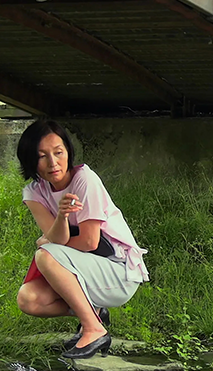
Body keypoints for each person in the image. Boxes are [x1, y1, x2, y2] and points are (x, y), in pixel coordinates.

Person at [14, 120, 149, 359]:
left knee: (45, 255)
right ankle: (94, 312)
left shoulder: (85, 180)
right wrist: (62, 217)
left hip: (118, 271)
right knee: (28, 299)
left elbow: (89, 242)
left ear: (68, 151)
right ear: (30, 160)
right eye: (42, 156)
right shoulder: (34, 192)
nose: (53, 163)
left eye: (58, 152)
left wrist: (49, 246)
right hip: (86, 270)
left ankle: (94, 329)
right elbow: (57, 239)